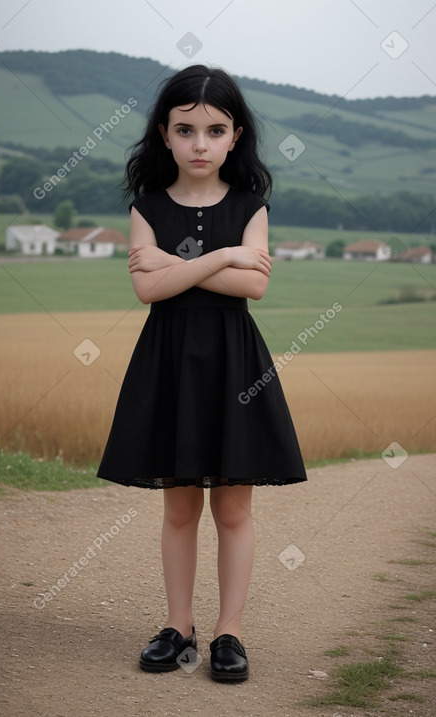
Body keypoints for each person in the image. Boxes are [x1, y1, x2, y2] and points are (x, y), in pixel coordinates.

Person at [97, 64, 307, 682]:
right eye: (185, 130)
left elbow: (255, 285)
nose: (199, 144)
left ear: (235, 136)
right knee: (180, 510)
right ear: (164, 134)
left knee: (234, 511)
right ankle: (178, 626)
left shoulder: (250, 204)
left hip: (233, 365)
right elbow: (145, 290)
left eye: (214, 131)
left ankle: (229, 634)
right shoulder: (147, 206)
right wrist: (222, 254)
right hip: (168, 366)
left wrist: (176, 263)